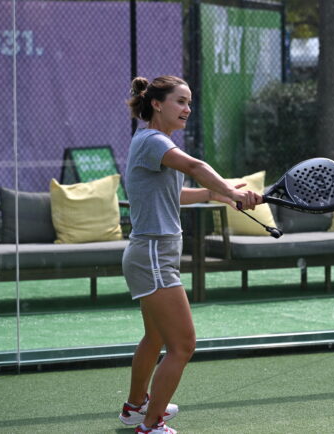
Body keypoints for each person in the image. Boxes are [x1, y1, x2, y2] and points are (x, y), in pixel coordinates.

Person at [119, 75, 262, 434]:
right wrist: (228, 187)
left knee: (156, 338)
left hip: (149, 254)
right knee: (183, 344)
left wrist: (217, 196)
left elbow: (175, 194)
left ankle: (136, 408)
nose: (187, 109)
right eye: (180, 101)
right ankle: (150, 426)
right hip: (153, 255)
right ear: (156, 104)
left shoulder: (151, 143)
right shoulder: (153, 140)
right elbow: (196, 167)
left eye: (189, 103)